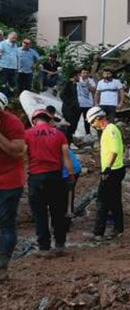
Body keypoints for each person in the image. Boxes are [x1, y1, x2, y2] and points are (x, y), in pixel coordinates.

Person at [24, 109, 74, 254]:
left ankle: (44, 248)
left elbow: (22, 155)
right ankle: (60, 244)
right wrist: (70, 175)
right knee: (58, 212)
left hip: (36, 178)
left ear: (34, 121)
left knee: (39, 214)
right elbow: (66, 158)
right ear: (49, 120)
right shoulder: (59, 134)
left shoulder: (27, 134)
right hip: (55, 177)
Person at [86, 106, 125, 239]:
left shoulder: (110, 130)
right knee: (114, 200)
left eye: (92, 122)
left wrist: (107, 168)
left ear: (98, 118)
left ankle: (98, 232)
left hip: (112, 171)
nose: (92, 125)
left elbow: (114, 151)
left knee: (102, 201)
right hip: (116, 169)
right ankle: (118, 229)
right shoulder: (110, 130)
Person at [0, 92, 26, 280]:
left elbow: (17, 151)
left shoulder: (12, 123)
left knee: (7, 223)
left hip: (9, 181)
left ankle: (2, 265)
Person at [60, 70, 81, 144]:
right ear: (74, 76)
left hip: (76, 109)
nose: (80, 77)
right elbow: (62, 95)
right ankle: (67, 142)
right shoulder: (67, 84)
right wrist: (69, 104)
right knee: (69, 125)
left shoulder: (76, 85)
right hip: (68, 109)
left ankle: (70, 141)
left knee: (74, 125)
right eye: (78, 76)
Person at [77, 69, 97, 135]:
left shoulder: (90, 80)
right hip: (78, 103)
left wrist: (88, 86)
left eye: (87, 73)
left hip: (88, 104)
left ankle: (88, 134)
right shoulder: (77, 79)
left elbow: (95, 90)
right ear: (80, 74)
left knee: (87, 120)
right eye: (83, 73)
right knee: (75, 119)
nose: (85, 74)